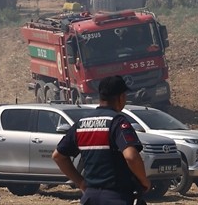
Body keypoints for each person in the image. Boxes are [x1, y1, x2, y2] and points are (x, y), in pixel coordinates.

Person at [52, 74, 151, 205]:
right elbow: (131, 156)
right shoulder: (117, 122)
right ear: (121, 97)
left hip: (90, 197)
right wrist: (144, 181)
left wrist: (81, 182)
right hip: (116, 197)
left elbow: (58, 156)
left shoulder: (81, 124)